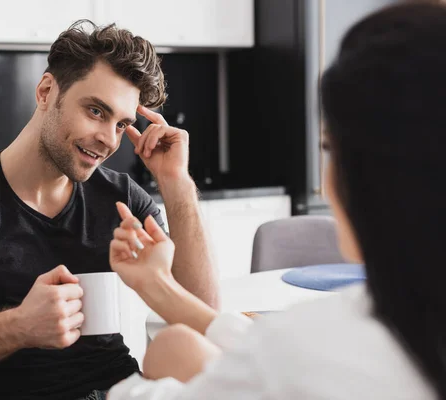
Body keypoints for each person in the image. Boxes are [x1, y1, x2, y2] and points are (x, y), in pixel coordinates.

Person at [107, 2, 446, 399]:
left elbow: (284, 353)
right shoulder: (359, 324)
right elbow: (265, 343)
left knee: (171, 352)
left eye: (328, 149)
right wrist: (161, 288)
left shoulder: (312, 347)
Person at [0, 21, 218, 400]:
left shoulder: (120, 198)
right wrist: (18, 326)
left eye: (122, 125)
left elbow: (202, 320)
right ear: (47, 91)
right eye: (96, 111)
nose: (108, 140)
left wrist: (176, 184)